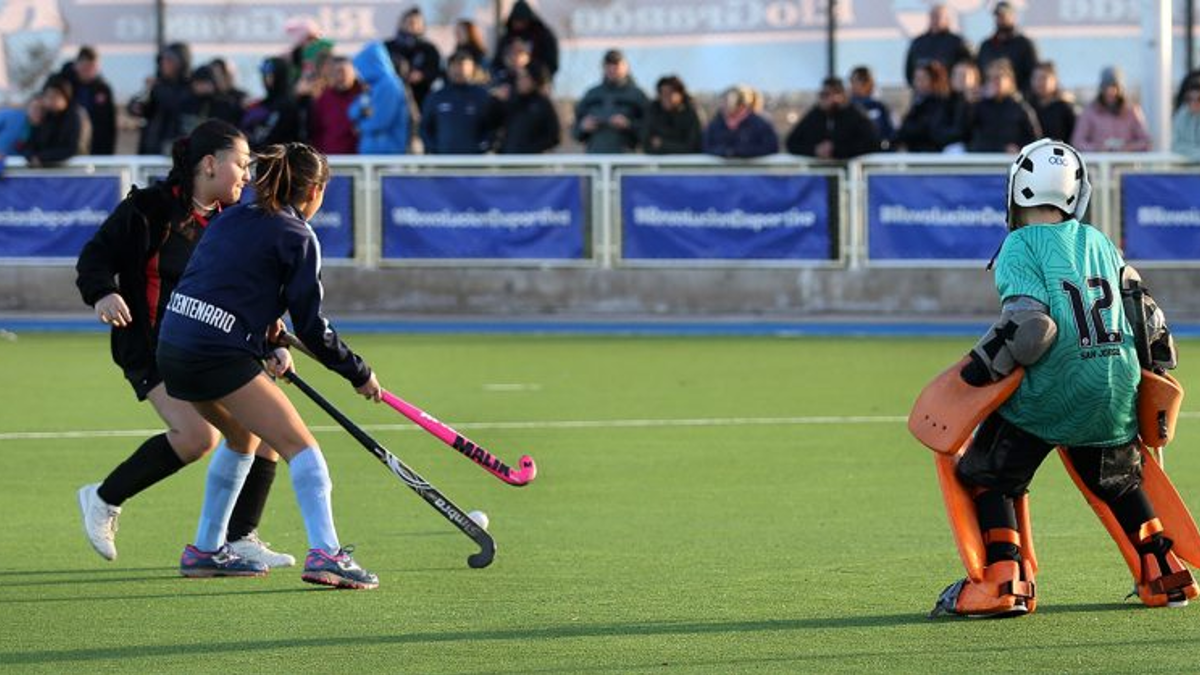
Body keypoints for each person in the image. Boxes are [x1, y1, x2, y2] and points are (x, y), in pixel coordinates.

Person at [925, 138, 1199, 617]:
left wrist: (978, 370)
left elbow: (1031, 331)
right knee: (1120, 480)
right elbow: (1150, 323)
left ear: (1016, 193)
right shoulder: (1100, 243)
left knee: (987, 471)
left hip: (1049, 394)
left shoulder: (1018, 245)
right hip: (1115, 389)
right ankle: (1165, 574)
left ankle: (1004, 579)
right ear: (1077, 195)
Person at [156, 142, 381, 588]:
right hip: (216, 351)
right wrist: (359, 373)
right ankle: (326, 554)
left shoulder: (232, 216)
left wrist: (264, 335)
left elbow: (221, 284)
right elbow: (314, 328)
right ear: (314, 190)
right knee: (301, 446)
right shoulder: (298, 236)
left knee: (243, 437)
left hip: (174, 345)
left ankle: (204, 549)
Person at [75, 119, 293, 569]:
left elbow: (244, 289)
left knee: (271, 425)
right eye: (242, 165)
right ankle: (104, 497)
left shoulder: (234, 221)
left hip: (210, 349)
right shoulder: (148, 209)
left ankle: (240, 536)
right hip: (151, 346)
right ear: (210, 165)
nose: (248, 176)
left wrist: (270, 336)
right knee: (198, 437)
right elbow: (95, 257)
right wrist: (103, 291)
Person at [420, 50, 500, 154]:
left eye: (464, 66)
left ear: (472, 68)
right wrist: (434, 148)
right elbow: (425, 128)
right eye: (455, 65)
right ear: (448, 68)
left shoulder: (482, 96)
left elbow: (492, 128)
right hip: (443, 161)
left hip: (473, 163)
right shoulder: (437, 96)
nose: (459, 70)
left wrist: (481, 147)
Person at [572, 50, 649, 154]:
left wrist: (629, 125)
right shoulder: (591, 94)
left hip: (626, 161)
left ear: (626, 67)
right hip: (595, 160)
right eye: (608, 65)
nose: (612, 69)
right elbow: (575, 130)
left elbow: (649, 129)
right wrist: (583, 127)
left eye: (616, 65)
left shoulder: (637, 95)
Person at [785, 77, 880, 159]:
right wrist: (815, 150)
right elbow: (792, 143)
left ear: (841, 95)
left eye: (827, 95)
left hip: (851, 172)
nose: (824, 100)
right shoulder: (815, 115)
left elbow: (871, 144)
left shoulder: (856, 115)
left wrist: (836, 150)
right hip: (820, 174)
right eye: (822, 95)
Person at [129, 42, 192, 156]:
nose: (164, 63)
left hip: (175, 152)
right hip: (150, 149)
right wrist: (138, 104)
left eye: (169, 60)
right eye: (162, 60)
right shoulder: (157, 85)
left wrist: (157, 89)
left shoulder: (190, 87)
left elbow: (176, 106)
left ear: (181, 62)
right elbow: (141, 108)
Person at [965, 58, 1039, 153]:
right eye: (990, 78)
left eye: (998, 77)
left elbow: (1035, 140)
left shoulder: (1020, 107)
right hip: (983, 160)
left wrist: (1019, 147)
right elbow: (967, 133)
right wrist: (969, 104)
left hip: (1011, 161)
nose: (994, 82)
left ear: (1010, 80)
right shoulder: (979, 106)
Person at [1071, 66, 1151, 153]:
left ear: (1121, 89)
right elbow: (1077, 142)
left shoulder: (1132, 111)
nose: (1110, 91)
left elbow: (1146, 142)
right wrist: (1097, 148)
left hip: (1127, 165)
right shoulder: (1089, 112)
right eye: (1106, 86)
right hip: (1099, 165)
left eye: (1114, 86)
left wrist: (1128, 147)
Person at [349, 41, 409, 154]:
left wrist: (360, 127)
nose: (360, 72)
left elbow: (380, 121)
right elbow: (352, 110)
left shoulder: (390, 84)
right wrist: (362, 111)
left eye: (362, 65)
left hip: (388, 155)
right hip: (370, 154)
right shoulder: (372, 85)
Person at [58, 46, 116, 155]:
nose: (88, 72)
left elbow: (109, 125)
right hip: (65, 149)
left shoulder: (103, 89)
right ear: (76, 65)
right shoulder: (62, 84)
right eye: (85, 67)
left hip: (95, 149)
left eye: (92, 68)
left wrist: (108, 154)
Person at [23, 74, 91, 167]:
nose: (51, 100)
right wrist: (31, 156)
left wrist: (42, 157)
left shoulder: (75, 116)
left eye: (55, 96)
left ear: (65, 97)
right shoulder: (45, 115)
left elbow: (73, 148)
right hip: (46, 171)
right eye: (48, 96)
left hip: (73, 171)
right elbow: (30, 144)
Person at [241, 57, 305, 151]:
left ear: (279, 76)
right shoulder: (264, 103)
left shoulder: (287, 105)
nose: (264, 79)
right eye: (264, 75)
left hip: (281, 159)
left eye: (269, 75)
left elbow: (272, 136)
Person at [977, 1, 1039, 97]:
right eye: (998, 15)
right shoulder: (986, 45)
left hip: (1017, 99)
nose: (1001, 18)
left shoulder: (1024, 44)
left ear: (1013, 16)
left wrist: (1020, 95)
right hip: (989, 102)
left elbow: (1033, 74)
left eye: (1005, 15)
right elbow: (979, 73)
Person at [385, 7, 442, 111]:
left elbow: (436, 71)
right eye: (410, 22)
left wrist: (422, 75)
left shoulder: (429, 49)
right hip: (392, 99)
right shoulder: (388, 47)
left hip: (420, 100)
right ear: (401, 23)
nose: (413, 25)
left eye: (416, 23)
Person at [497, 64, 560, 154]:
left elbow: (553, 136)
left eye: (524, 77)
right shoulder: (511, 102)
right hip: (507, 161)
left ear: (534, 80)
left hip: (531, 164)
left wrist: (531, 150)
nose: (519, 81)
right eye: (519, 77)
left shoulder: (543, 105)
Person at [895, 61, 957, 152]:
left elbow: (923, 130)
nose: (917, 83)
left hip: (930, 157)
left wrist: (900, 125)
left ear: (934, 80)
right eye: (916, 78)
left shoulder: (940, 104)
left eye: (922, 79)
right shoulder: (918, 103)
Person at [904, 4, 972, 88]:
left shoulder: (957, 42)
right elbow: (909, 70)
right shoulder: (918, 42)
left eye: (938, 17)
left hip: (948, 95)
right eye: (932, 16)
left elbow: (967, 67)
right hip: (922, 94)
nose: (935, 20)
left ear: (947, 19)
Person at [702, 85, 777, 158]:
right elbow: (705, 147)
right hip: (720, 170)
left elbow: (770, 148)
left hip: (752, 169)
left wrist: (739, 152)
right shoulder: (715, 125)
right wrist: (725, 152)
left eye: (728, 101)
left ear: (741, 104)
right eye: (723, 101)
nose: (724, 105)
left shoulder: (760, 125)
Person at [308, 56, 363, 155]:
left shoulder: (362, 95)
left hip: (358, 160)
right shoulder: (324, 99)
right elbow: (316, 130)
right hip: (331, 158)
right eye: (336, 72)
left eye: (344, 72)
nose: (340, 77)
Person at [495, 0, 558, 78]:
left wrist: (529, 62)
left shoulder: (543, 36)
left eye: (521, 21)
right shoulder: (508, 37)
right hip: (507, 84)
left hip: (536, 82)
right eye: (516, 21)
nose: (518, 25)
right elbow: (497, 63)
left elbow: (550, 67)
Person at [642, 75, 703, 155]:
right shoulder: (653, 111)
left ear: (680, 94)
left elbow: (692, 146)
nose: (665, 98)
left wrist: (663, 144)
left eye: (669, 93)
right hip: (658, 164)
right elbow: (647, 144)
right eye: (662, 93)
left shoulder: (691, 114)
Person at [1029, 61, 1077, 143]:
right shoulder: (1027, 106)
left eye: (1043, 78)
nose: (1039, 83)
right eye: (1036, 78)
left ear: (1055, 80)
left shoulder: (1065, 108)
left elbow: (1074, 138)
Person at [849, 65, 895, 149]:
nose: (852, 86)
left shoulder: (879, 106)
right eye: (852, 82)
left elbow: (890, 132)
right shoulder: (848, 108)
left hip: (879, 151)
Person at [1171, 82, 1200, 160]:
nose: (1194, 102)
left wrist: (1187, 150)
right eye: (1190, 99)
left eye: (1198, 99)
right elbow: (1175, 146)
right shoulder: (1181, 116)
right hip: (1186, 166)